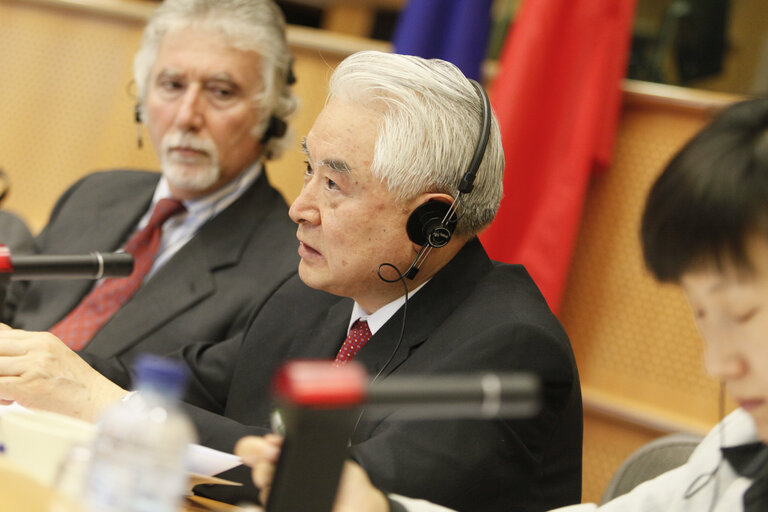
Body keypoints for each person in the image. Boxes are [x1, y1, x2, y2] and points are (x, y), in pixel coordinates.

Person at [0, 51, 583, 512]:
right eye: (310, 169)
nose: (299, 208)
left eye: (334, 184)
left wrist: (110, 406)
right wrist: (33, 365)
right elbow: (183, 381)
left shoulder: (511, 349)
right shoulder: (315, 297)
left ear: (430, 221)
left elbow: (338, 488)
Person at [242, 97, 768, 512]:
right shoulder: (741, 447)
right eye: (704, 318)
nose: (719, 365)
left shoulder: (510, 340)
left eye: (742, 316)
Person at [2, 0, 299, 377]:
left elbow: (212, 403)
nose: (186, 116)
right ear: (142, 102)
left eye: (221, 92)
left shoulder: (288, 268)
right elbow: (13, 312)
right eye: (172, 86)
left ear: (271, 114)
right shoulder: (95, 194)